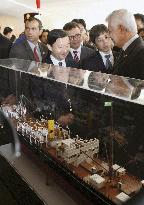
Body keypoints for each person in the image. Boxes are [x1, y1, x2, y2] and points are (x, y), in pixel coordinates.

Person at [106, 9, 144, 80]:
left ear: (122, 29)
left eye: (110, 31)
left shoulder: (141, 53)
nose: (109, 35)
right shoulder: (127, 48)